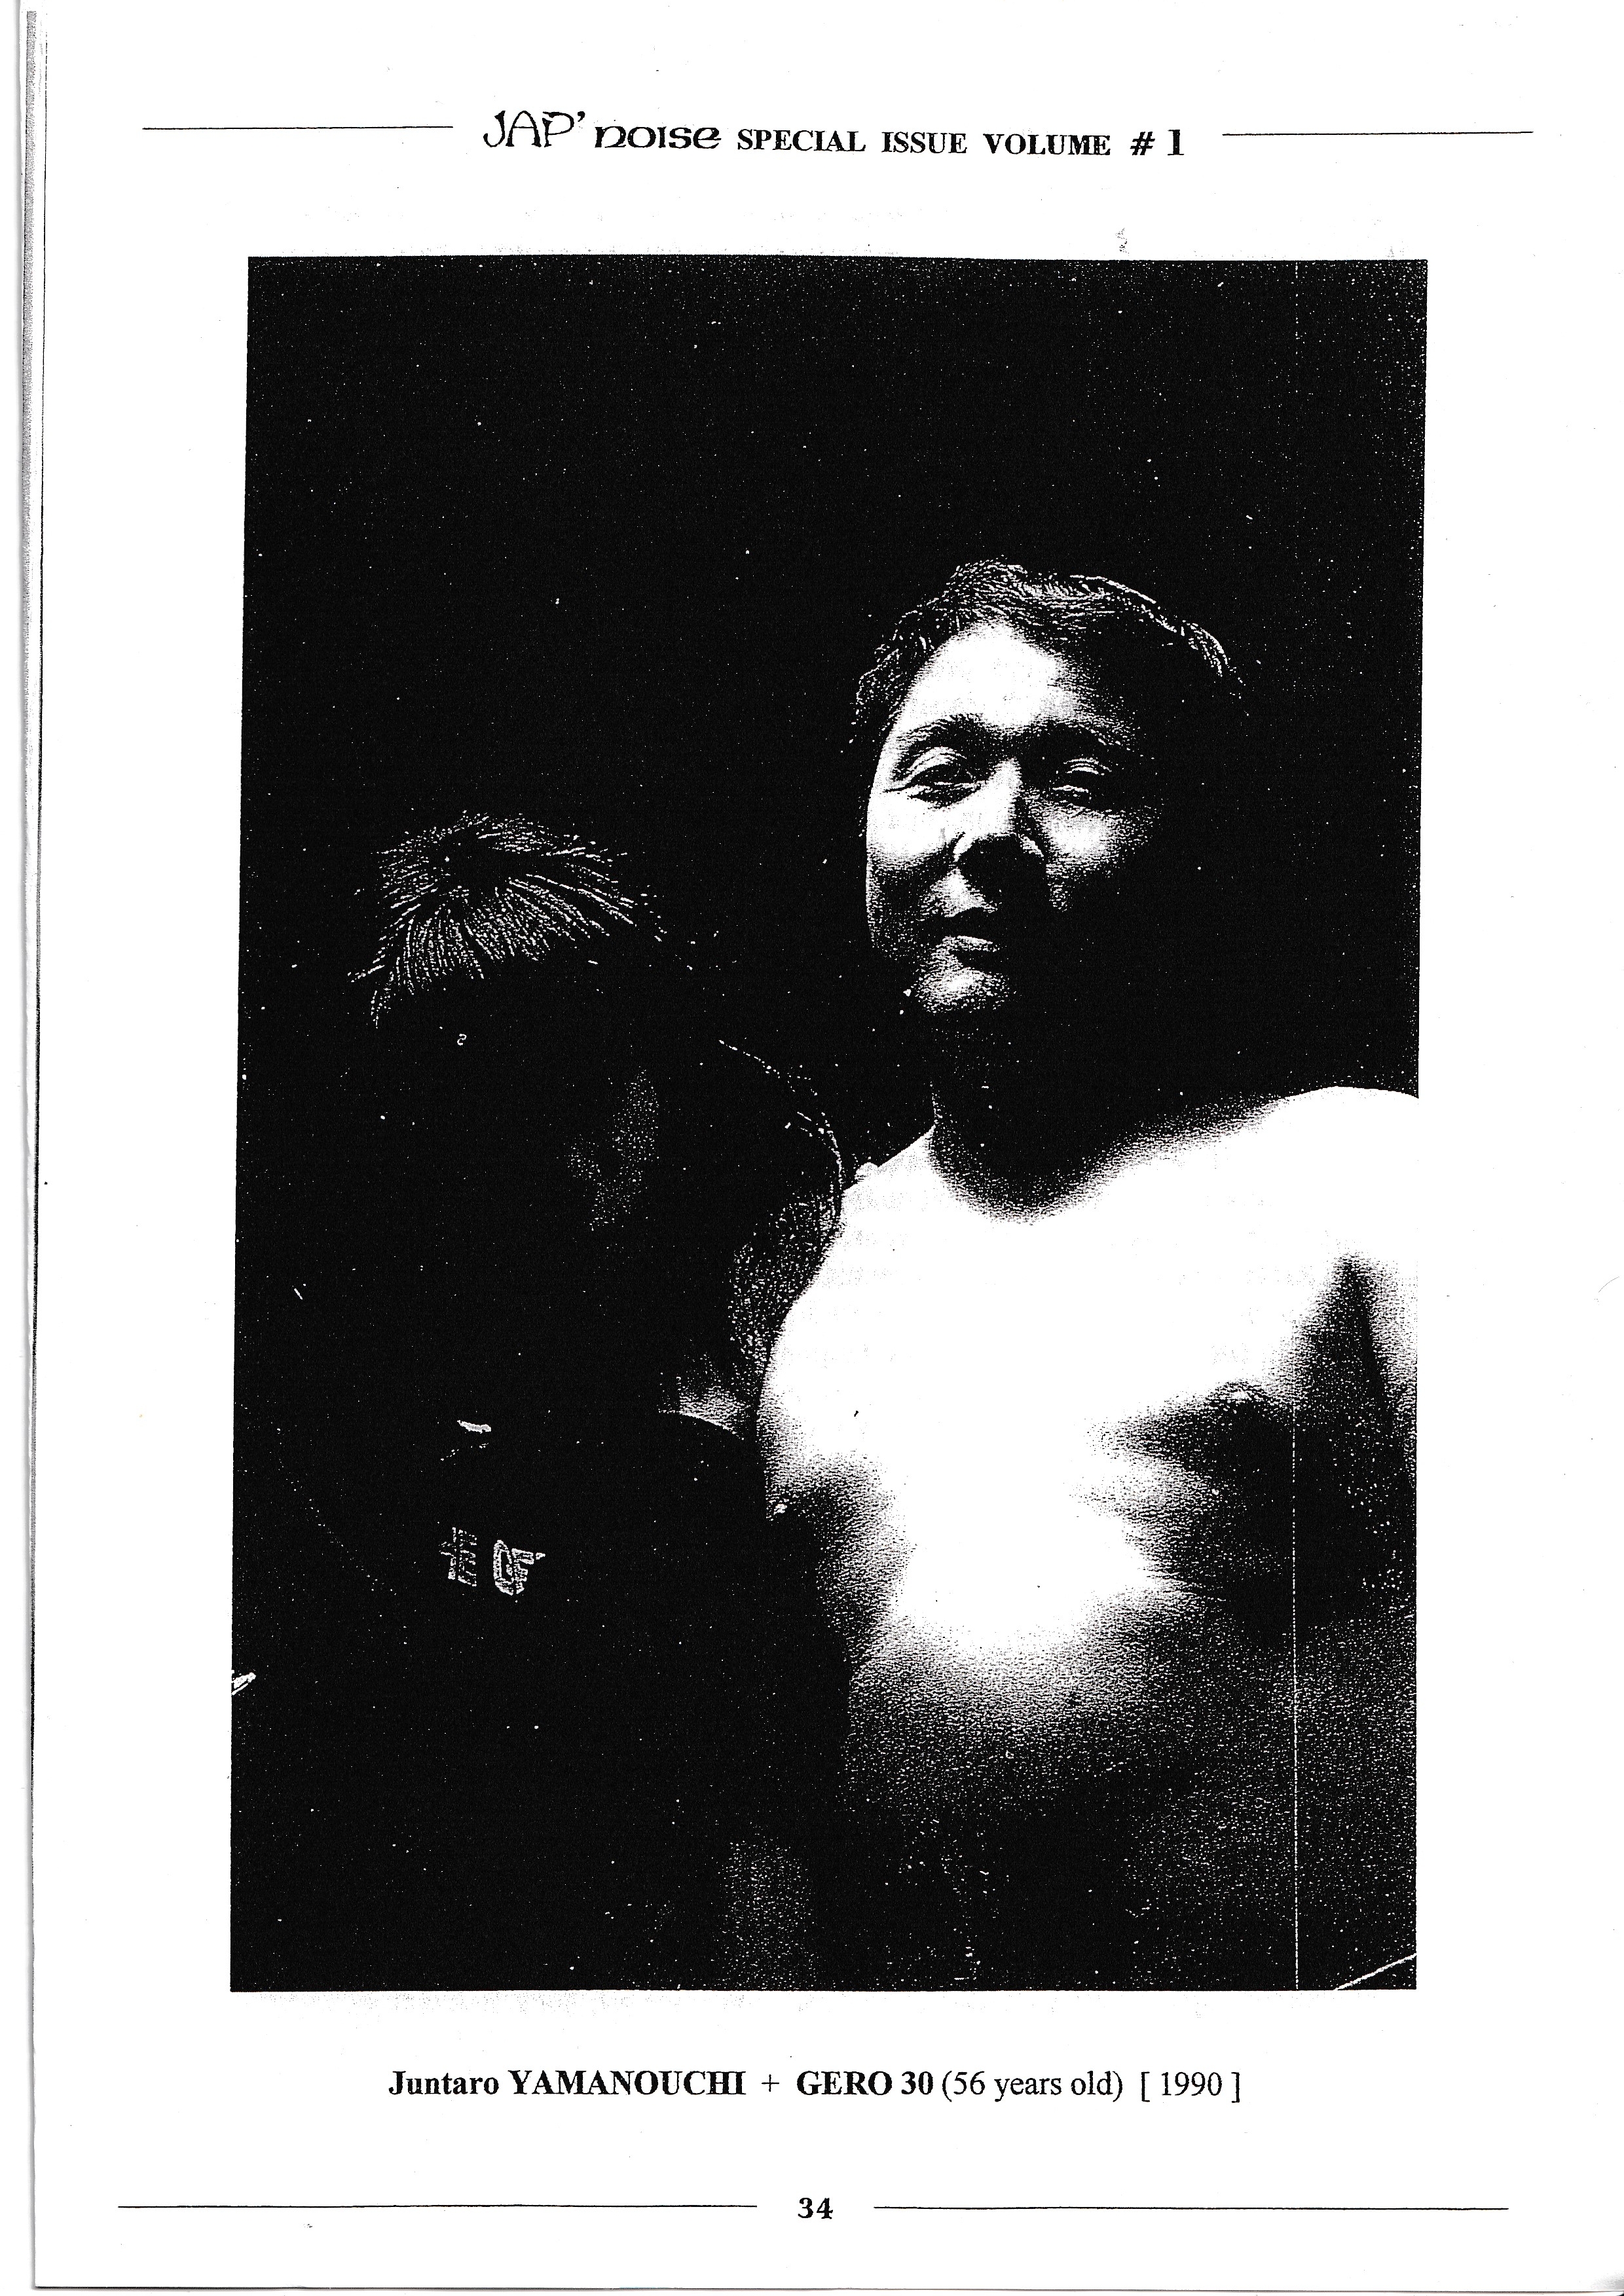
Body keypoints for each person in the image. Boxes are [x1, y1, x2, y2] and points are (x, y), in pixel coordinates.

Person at [757, 562, 1416, 1990]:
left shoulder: (1370, 1179)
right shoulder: (790, 1274)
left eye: (1077, 777)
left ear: (1195, 848)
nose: (993, 832)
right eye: (939, 775)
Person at [233, 812, 841, 1988]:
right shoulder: (363, 1332)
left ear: (652, 1062)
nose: (575, 1158)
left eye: (591, 1091)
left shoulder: (792, 1239)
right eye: (501, 1109)